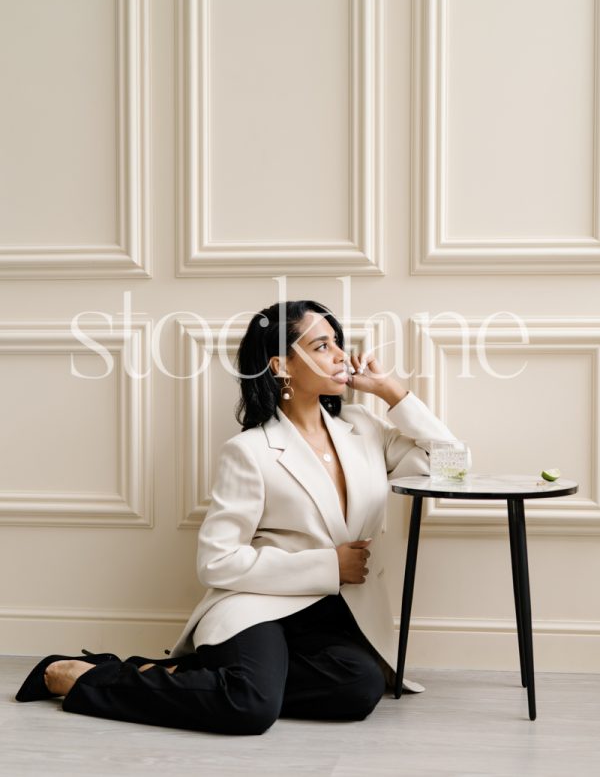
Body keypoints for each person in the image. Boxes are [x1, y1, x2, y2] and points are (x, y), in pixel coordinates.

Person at [16, 300, 470, 734]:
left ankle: (180, 673)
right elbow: (217, 561)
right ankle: (75, 678)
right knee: (250, 709)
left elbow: (453, 463)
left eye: (336, 341)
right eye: (321, 346)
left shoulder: (365, 431)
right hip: (259, 605)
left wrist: (391, 391)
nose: (339, 356)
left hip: (331, 613)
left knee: (360, 687)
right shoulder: (250, 452)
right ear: (281, 367)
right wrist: (329, 565)